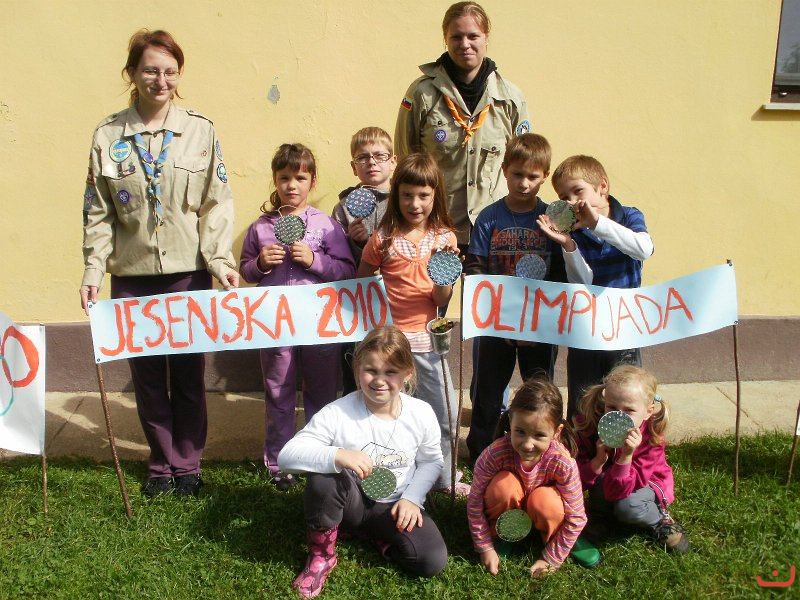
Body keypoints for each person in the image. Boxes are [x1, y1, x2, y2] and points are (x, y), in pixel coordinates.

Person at [80, 29, 238, 498]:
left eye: (170, 71)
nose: (161, 80)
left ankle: (188, 464)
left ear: (179, 75)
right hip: (132, 277)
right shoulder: (108, 135)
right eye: (150, 70)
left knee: (188, 374)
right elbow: (99, 212)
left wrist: (219, 261)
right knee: (147, 379)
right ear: (132, 73)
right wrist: (93, 270)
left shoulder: (200, 130)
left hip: (188, 274)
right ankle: (160, 465)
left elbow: (216, 203)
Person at [278, 325, 448, 599]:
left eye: (390, 372)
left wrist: (413, 498)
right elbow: (286, 457)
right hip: (352, 503)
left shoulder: (421, 413)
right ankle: (322, 556)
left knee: (431, 560)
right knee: (324, 475)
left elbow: (431, 461)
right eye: (371, 370)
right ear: (356, 369)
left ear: (407, 373)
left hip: (394, 507)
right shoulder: (337, 412)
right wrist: (337, 455)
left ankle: (375, 538)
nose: (379, 380)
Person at [464, 133, 592, 464]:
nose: (524, 183)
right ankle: (482, 454)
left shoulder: (554, 218)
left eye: (532, 176)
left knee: (541, 392)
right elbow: (476, 269)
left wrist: (541, 320)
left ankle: (545, 452)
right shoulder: (489, 217)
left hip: (540, 326)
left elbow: (561, 272)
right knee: (488, 391)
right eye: (517, 174)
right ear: (504, 170)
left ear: (545, 176)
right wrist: (492, 315)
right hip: (496, 325)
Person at [239, 143, 355, 491]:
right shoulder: (261, 227)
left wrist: (315, 261)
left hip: (320, 325)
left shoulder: (326, 226)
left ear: (312, 181)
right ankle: (280, 463)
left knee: (322, 393)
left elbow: (347, 271)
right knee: (278, 392)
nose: (292, 185)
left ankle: (319, 458)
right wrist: (260, 263)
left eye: (300, 178)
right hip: (276, 325)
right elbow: (245, 270)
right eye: (284, 177)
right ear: (275, 180)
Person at [357, 153, 468, 495]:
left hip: (429, 345)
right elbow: (361, 285)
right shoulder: (383, 239)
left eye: (423, 195)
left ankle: (444, 478)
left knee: (445, 415)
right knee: (390, 415)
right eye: (407, 195)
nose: (415, 204)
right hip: (391, 348)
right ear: (396, 195)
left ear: (436, 195)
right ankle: (394, 475)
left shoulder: (445, 239)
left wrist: (444, 273)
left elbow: (439, 299)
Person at [395, 1, 530, 248]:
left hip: (495, 230)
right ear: (445, 40)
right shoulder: (422, 94)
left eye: (473, 36)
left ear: (486, 37)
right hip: (436, 228)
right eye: (456, 37)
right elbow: (406, 160)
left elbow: (525, 164)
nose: (464, 44)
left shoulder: (510, 98)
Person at [550, 155, 654, 418]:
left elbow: (643, 249)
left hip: (624, 327)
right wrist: (568, 245)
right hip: (586, 327)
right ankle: (583, 443)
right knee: (583, 401)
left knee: (626, 395)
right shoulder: (572, 229)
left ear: (602, 186)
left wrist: (597, 223)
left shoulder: (629, 215)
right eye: (564, 197)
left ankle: (627, 444)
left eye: (578, 191)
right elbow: (582, 282)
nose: (571, 201)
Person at [467, 379, 596, 577]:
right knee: (503, 487)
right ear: (510, 421)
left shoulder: (563, 462)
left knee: (545, 500)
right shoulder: (494, 454)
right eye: (520, 432)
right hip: (508, 509)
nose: (528, 444)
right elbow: (474, 502)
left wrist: (551, 559)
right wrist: (485, 546)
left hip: (543, 509)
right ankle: (503, 534)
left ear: (557, 431)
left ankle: (557, 536)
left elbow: (577, 516)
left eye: (539, 435)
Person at [573, 365, 689, 553]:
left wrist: (625, 457)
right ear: (604, 403)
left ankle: (659, 520)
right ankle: (602, 516)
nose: (619, 416)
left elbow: (621, 490)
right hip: (610, 483)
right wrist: (597, 462)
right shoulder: (590, 427)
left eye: (629, 411)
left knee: (627, 507)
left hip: (643, 486)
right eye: (612, 408)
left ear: (648, 412)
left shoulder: (652, 439)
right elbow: (576, 480)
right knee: (602, 481)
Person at [332, 127, 397, 395]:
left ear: (393, 162)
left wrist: (373, 244)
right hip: (357, 302)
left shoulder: (403, 201)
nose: (371, 162)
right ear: (353, 167)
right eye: (363, 157)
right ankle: (353, 403)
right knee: (355, 358)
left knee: (394, 359)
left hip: (396, 298)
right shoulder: (343, 207)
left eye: (380, 156)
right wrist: (356, 244)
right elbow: (337, 258)